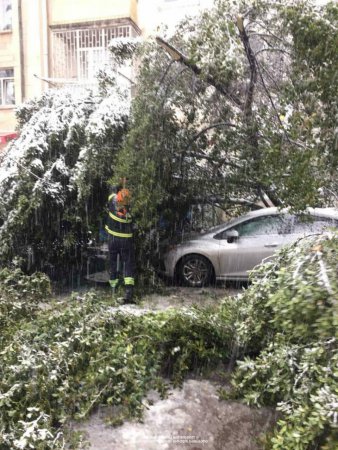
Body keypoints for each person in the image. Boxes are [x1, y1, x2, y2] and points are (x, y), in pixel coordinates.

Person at [105, 179, 135, 302]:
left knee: (113, 263)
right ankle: (128, 292)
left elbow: (112, 191)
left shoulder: (113, 202)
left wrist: (119, 181)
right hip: (126, 241)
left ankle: (113, 289)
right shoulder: (130, 210)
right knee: (127, 264)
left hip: (112, 239)